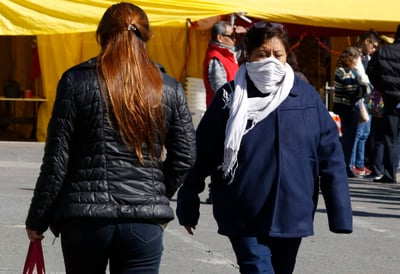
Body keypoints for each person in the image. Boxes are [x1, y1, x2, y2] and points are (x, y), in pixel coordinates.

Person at [25, 2, 196, 273]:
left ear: (101, 35)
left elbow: (57, 160)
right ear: (146, 36)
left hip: (85, 220)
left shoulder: (75, 81)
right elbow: (185, 155)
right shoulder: (169, 88)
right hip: (143, 221)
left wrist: (38, 218)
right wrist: (155, 192)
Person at [177, 22, 352, 274]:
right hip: (242, 211)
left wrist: (340, 213)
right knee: (257, 269)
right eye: (262, 54)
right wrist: (188, 202)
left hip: (292, 210)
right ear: (248, 55)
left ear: (286, 56)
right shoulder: (229, 98)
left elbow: (330, 155)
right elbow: (203, 153)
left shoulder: (305, 96)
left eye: (277, 55)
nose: (270, 61)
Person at [203, 20, 246, 203]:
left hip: (232, 111)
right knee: (220, 153)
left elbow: (243, 51)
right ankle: (216, 191)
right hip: (222, 112)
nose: (235, 40)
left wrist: (245, 35)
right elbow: (220, 89)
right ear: (220, 37)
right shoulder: (215, 57)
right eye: (232, 36)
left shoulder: (227, 54)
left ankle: (222, 189)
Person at [367, 22, 400, 189]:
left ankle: (389, 173)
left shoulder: (383, 52)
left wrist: (382, 87)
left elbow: (370, 70)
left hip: (391, 98)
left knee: (390, 138)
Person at [350, 29, 381, 176]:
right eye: (373, 46)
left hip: (368, 98)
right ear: (367, 41)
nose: (374, 49)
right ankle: (352, 163)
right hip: (358, 97)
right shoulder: (354, 54)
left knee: (365, 133)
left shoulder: (367, 57)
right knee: (358, 132)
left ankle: (360, 163)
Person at [333, 46, 363, 178]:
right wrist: (364, 88)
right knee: (347, 139)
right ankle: (345, 166)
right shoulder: (345, 72)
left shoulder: (340, 70)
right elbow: (353, 91)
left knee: (345, 139)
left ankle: (345, 165)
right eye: (356, 58)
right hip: (347, 108)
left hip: (342, 107)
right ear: (351, 58)